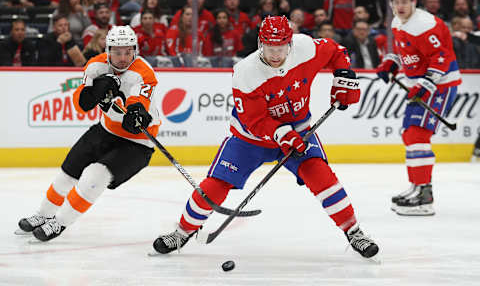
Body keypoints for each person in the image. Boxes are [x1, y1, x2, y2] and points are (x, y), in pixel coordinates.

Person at [152, 15, 379, 260]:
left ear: (289, 43)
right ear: (261, 43)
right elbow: (255, 120)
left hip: (300, 132)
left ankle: (353, 232)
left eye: (280, 48)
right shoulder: (246, 71)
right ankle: (183, 231)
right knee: (215, 185)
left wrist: (344, 76)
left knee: (323, 178)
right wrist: (283, 134)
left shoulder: (305, 48)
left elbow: (337, 51)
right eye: (270, 48)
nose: (275, 54)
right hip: (250, 139)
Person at [17, 25, 161, 242]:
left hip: (137, 142)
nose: (123, 58)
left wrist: (137, 114)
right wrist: (94, 91)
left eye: (128, 51)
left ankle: (60, 222)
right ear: (108, 49)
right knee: (69, 171)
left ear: (135, 50)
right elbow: (81, 104)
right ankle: (43, 214)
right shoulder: (96, 66)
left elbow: (138, 103)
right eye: (117, 52)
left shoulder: (144, 73)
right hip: (105, 130)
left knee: (97, 174)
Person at [376, 0, 461, 216]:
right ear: (391, 3)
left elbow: (441, 57)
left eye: (405, 1)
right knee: (409, 134)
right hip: (422, 85)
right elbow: (408, 53)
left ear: (414, 1)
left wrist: (426, 83)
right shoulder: (397, 21)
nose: (400, 6)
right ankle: (417, 186)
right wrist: (392, 62)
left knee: (417, 134)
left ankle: (425, 195)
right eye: (396, 1)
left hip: (441, 85)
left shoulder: (426, 24)